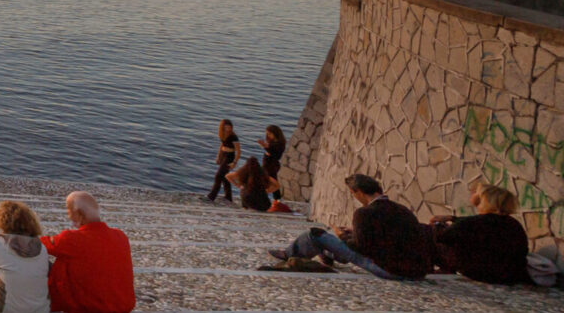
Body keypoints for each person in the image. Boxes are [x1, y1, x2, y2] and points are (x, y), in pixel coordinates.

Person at [271, 173, 433, 279]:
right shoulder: (402, 210)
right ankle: (328, 252)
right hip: (416, 271)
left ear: (359, 192)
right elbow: (388, 235)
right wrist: (355, 231)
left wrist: (341, 235)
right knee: (334, 239)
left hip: (390, 270)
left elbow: (359, 248)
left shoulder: (364, 213)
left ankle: (289, 254)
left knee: (315, 234)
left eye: (353, 194)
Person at [39, 192, 135, 313]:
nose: (68, 216)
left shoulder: (71, 239)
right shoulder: (121, 236)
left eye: (68, 211)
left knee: (40, 257)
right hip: (123, 307)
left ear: (79, 214)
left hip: (88, 308)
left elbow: (38, 244)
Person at [432, 183, 531, 285]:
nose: (473, 194)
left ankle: (438, 268)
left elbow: (443, 236)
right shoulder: (514, 224)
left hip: (482, 274)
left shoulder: (474, 223)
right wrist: (452, 218)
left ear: (483, 199)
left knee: (432, 236)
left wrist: (437, 226)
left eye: (476, 193)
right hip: (511, 275)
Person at [205, 120, 240, 202]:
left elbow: (238, 151)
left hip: (229, 157)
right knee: (225, 177)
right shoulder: (223, 134)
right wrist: (218, 156)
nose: (228, 128)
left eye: (229, 126)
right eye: (226, 126)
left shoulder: (233, 137)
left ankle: (211, 197)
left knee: (218, 176)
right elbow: (222, 145)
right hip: (223, 155)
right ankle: (228, 197)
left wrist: (234, 162)